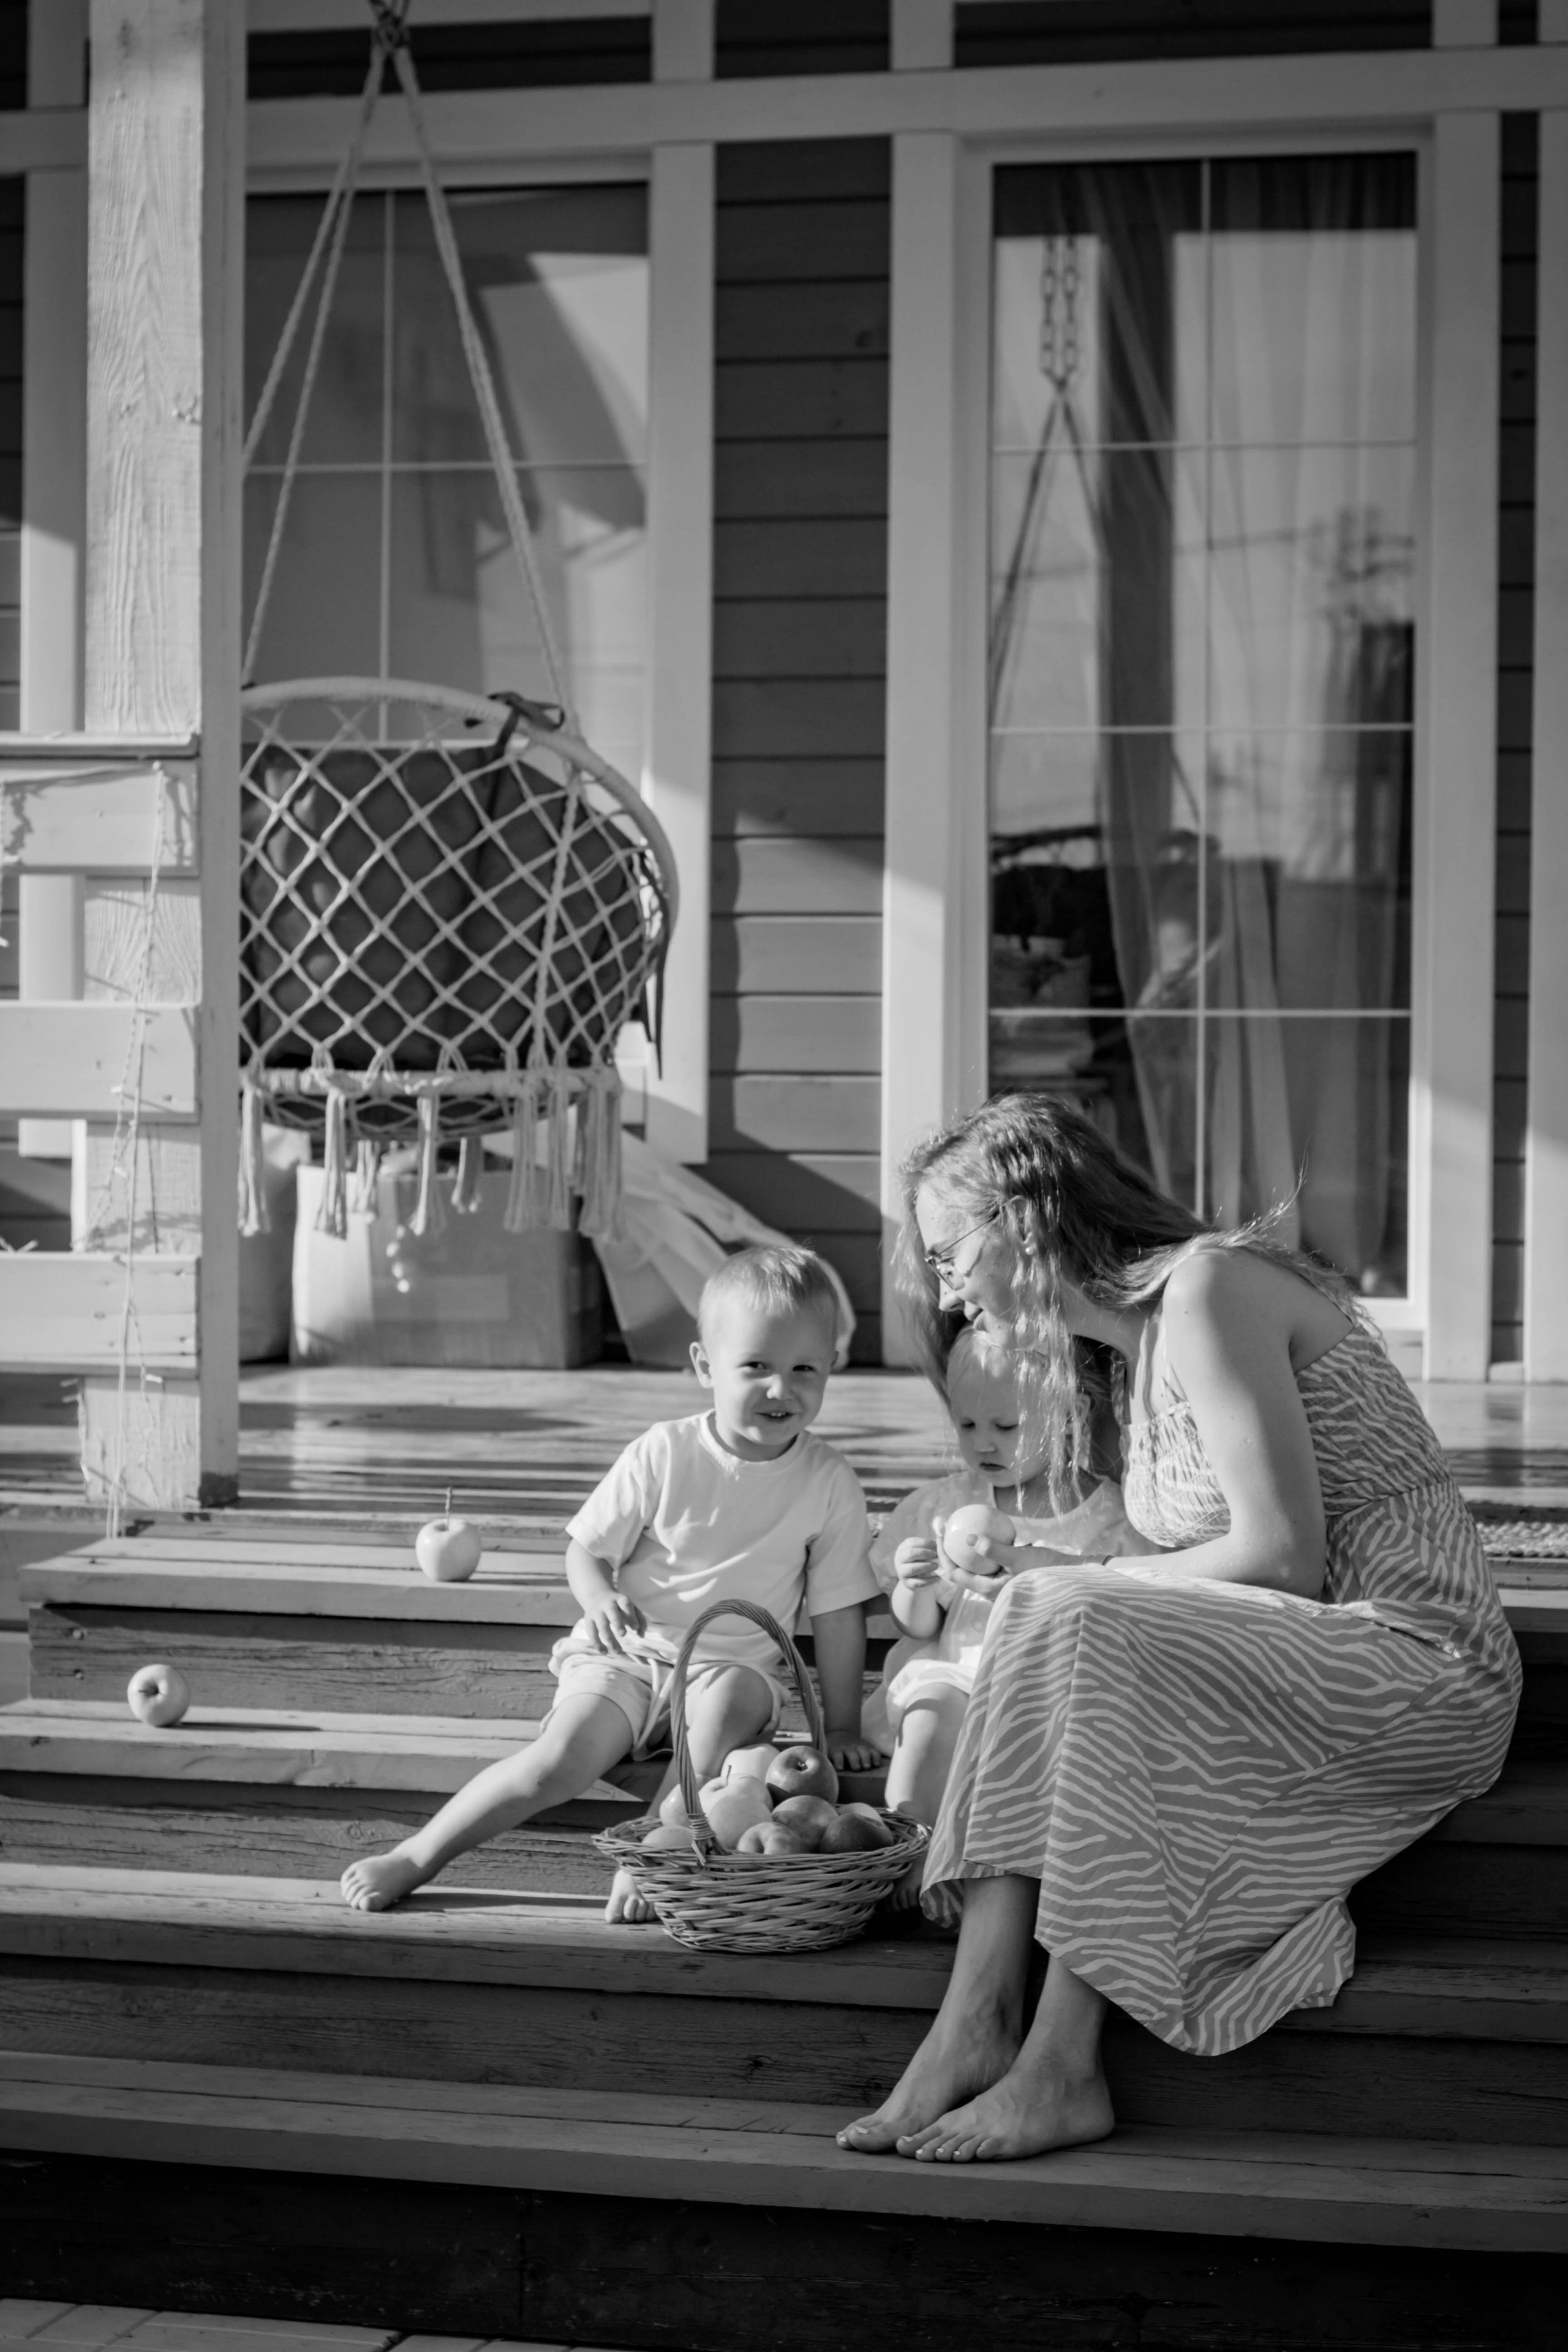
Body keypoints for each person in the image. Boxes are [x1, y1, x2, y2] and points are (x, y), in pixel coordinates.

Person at [839, 1094, 1521, 2165]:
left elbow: (1284, 1555)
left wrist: (1090, 1584)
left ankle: (1059, 2065)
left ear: (1025, 1218)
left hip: (1416, 1657)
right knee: (1043, 1605)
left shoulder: (1207, 1290)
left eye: (948, 1251)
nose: (945, 1286)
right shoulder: (1123, 1356)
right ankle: (976, 2025)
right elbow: (1184, 1584)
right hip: (1304, 1653)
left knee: (1073, 1610)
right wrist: (1057, 1572)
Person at [342, 1244, 881, 1921]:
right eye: (756, 1367)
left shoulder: (829, 1481)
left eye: (805, 1367)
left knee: (732, 1703)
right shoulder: (664, 1452)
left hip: (723, 1673)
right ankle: (419, 1854)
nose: (782, 1389)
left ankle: (662, 1838)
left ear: (831, 1365)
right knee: (557, 1763)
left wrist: (840, 1723)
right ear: (703, 1366)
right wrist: (598, 1598)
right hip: (628, 1656)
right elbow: (586, 1550)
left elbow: (837, 1612)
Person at [866, 1322, 1136, 1905]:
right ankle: (916, 1847)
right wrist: (914, 1584)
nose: (982, 1443)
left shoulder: (1105, 1519)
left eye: (1006, 1427)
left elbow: (1126, 1603)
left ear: (1069, 1414)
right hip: (959, 1674)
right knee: (931, 1719)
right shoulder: (950, 1507)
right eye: (966, 1425)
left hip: (1048, 1689)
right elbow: (919, 1629)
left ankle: (986, 1874)